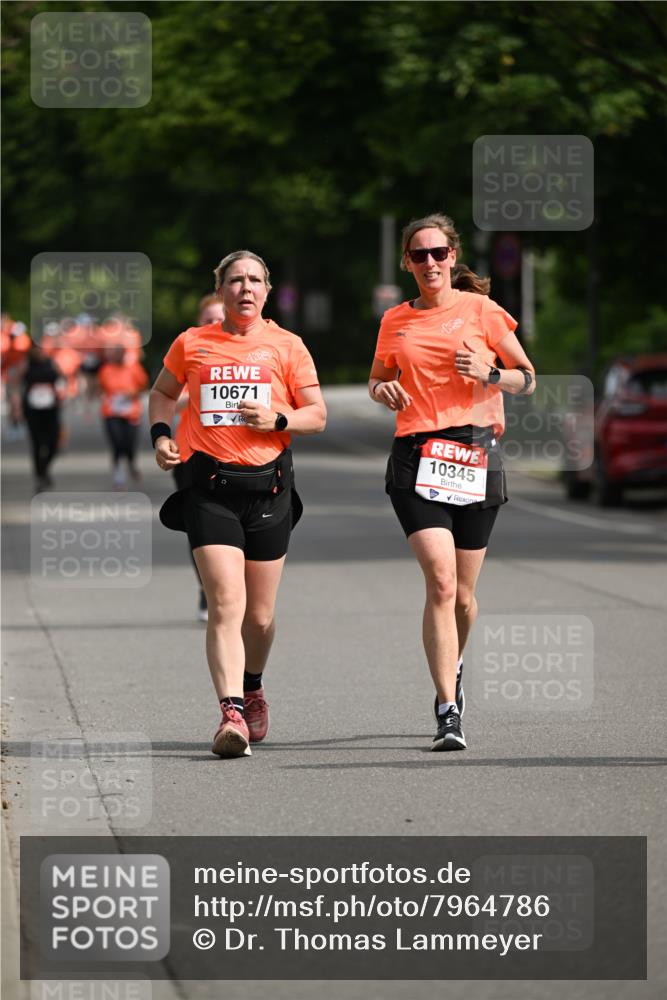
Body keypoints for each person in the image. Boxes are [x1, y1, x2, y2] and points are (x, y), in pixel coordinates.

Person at [368, 213, 536, 752]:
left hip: (474, 453)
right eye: (420, 255)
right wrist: (382, 392)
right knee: (440, 583)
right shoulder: (396, 319)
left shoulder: (481, 310)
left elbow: (527, 378)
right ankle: (447, 709)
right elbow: (378, 377)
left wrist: (489, 373)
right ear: (407, 263)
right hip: (418, 454)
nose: (431, 263)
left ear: (453, 256)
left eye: (439, 253)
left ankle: (454, 666)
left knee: (464, 596)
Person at [149, 250, 326, 758]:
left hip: (269, 489)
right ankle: (230, 714)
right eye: (235, 280)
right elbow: (161, 394)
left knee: (261, 617)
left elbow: (317, 415)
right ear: (220, 289)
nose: (245, 288)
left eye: (254, 280)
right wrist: (162, 437)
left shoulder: (287, 346)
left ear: (267, 290)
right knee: (226, 604)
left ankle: (252, 686)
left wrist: (278, 420)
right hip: (209, 490)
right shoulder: (193, 342)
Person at [173, 293, 225, 623]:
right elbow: (167, 397)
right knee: (202, 530)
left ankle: (233, 590)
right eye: (207, 318)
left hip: (239, 457)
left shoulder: (250, 353)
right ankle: (207, 590)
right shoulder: (190, 351)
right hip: (190, 453)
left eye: (218, 317)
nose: (213, 324)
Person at [97, 344, 149, 489]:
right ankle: (118, 471)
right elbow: (100, 387)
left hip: (131, 412)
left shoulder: (134, 368)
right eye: (115, 353)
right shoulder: (105, 370)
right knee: (117, 442)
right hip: (111, 412)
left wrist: (132, 393)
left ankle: (131, 464)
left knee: (130, 443)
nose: (118, 356)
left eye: (121, 353)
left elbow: (144, 386)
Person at [18, 339, 64, 493]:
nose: (38, 352)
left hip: (51, 410)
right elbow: (16, 385)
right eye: (35, 349)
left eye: (40, 348)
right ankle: (40, 475)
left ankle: (44, 468)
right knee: (37, 444)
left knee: (53, 444)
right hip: (33, 411)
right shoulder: (25, 365)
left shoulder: (52, 363)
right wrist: (16, 408)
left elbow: (62, 379)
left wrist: (62, 395)